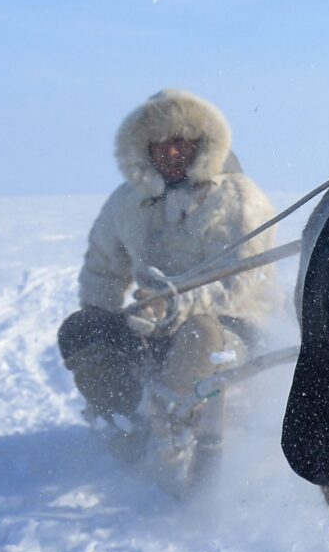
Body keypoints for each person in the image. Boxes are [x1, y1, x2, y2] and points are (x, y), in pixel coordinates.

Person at [57, 89, 280, 489]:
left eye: (181, 142)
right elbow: (102, 270)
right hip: (156, 324)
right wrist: (104, 323)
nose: (172, 152)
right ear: (144, 148)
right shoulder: (127, 202)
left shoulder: (241, 198)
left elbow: (239, 280)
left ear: (202, 144)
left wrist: (175, 306)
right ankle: (126, 425)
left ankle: (171, 430)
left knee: (202, 333)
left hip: (235, 327)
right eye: (161, 143)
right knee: (82, 330)